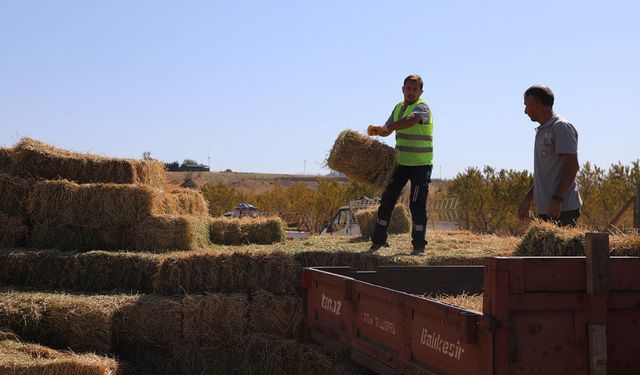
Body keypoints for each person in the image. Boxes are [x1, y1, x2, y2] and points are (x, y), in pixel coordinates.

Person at [366, 74, 433, 255]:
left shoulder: (422, 107)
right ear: (402, 89)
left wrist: (391, 127)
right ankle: (378, 241)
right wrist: (379, 131)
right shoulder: (397, 108)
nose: (411, 92)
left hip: (421, 165)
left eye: (415, 89)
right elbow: (389, 128)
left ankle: (419, 246)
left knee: (416, 204)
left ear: (421, 91)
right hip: (401, 164)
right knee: (387, 199)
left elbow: (410, 120)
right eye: (408, 88)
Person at [518, 84, 582, 227]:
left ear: (535, 104)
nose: (525, 111)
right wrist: (528, 199)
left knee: (563, 250)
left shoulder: (560, 127)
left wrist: (557, 199)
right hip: (548, 209)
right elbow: (547, 174)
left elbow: (572, 165)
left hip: (562, 210)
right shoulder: (543, 130)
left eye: (526, 105)